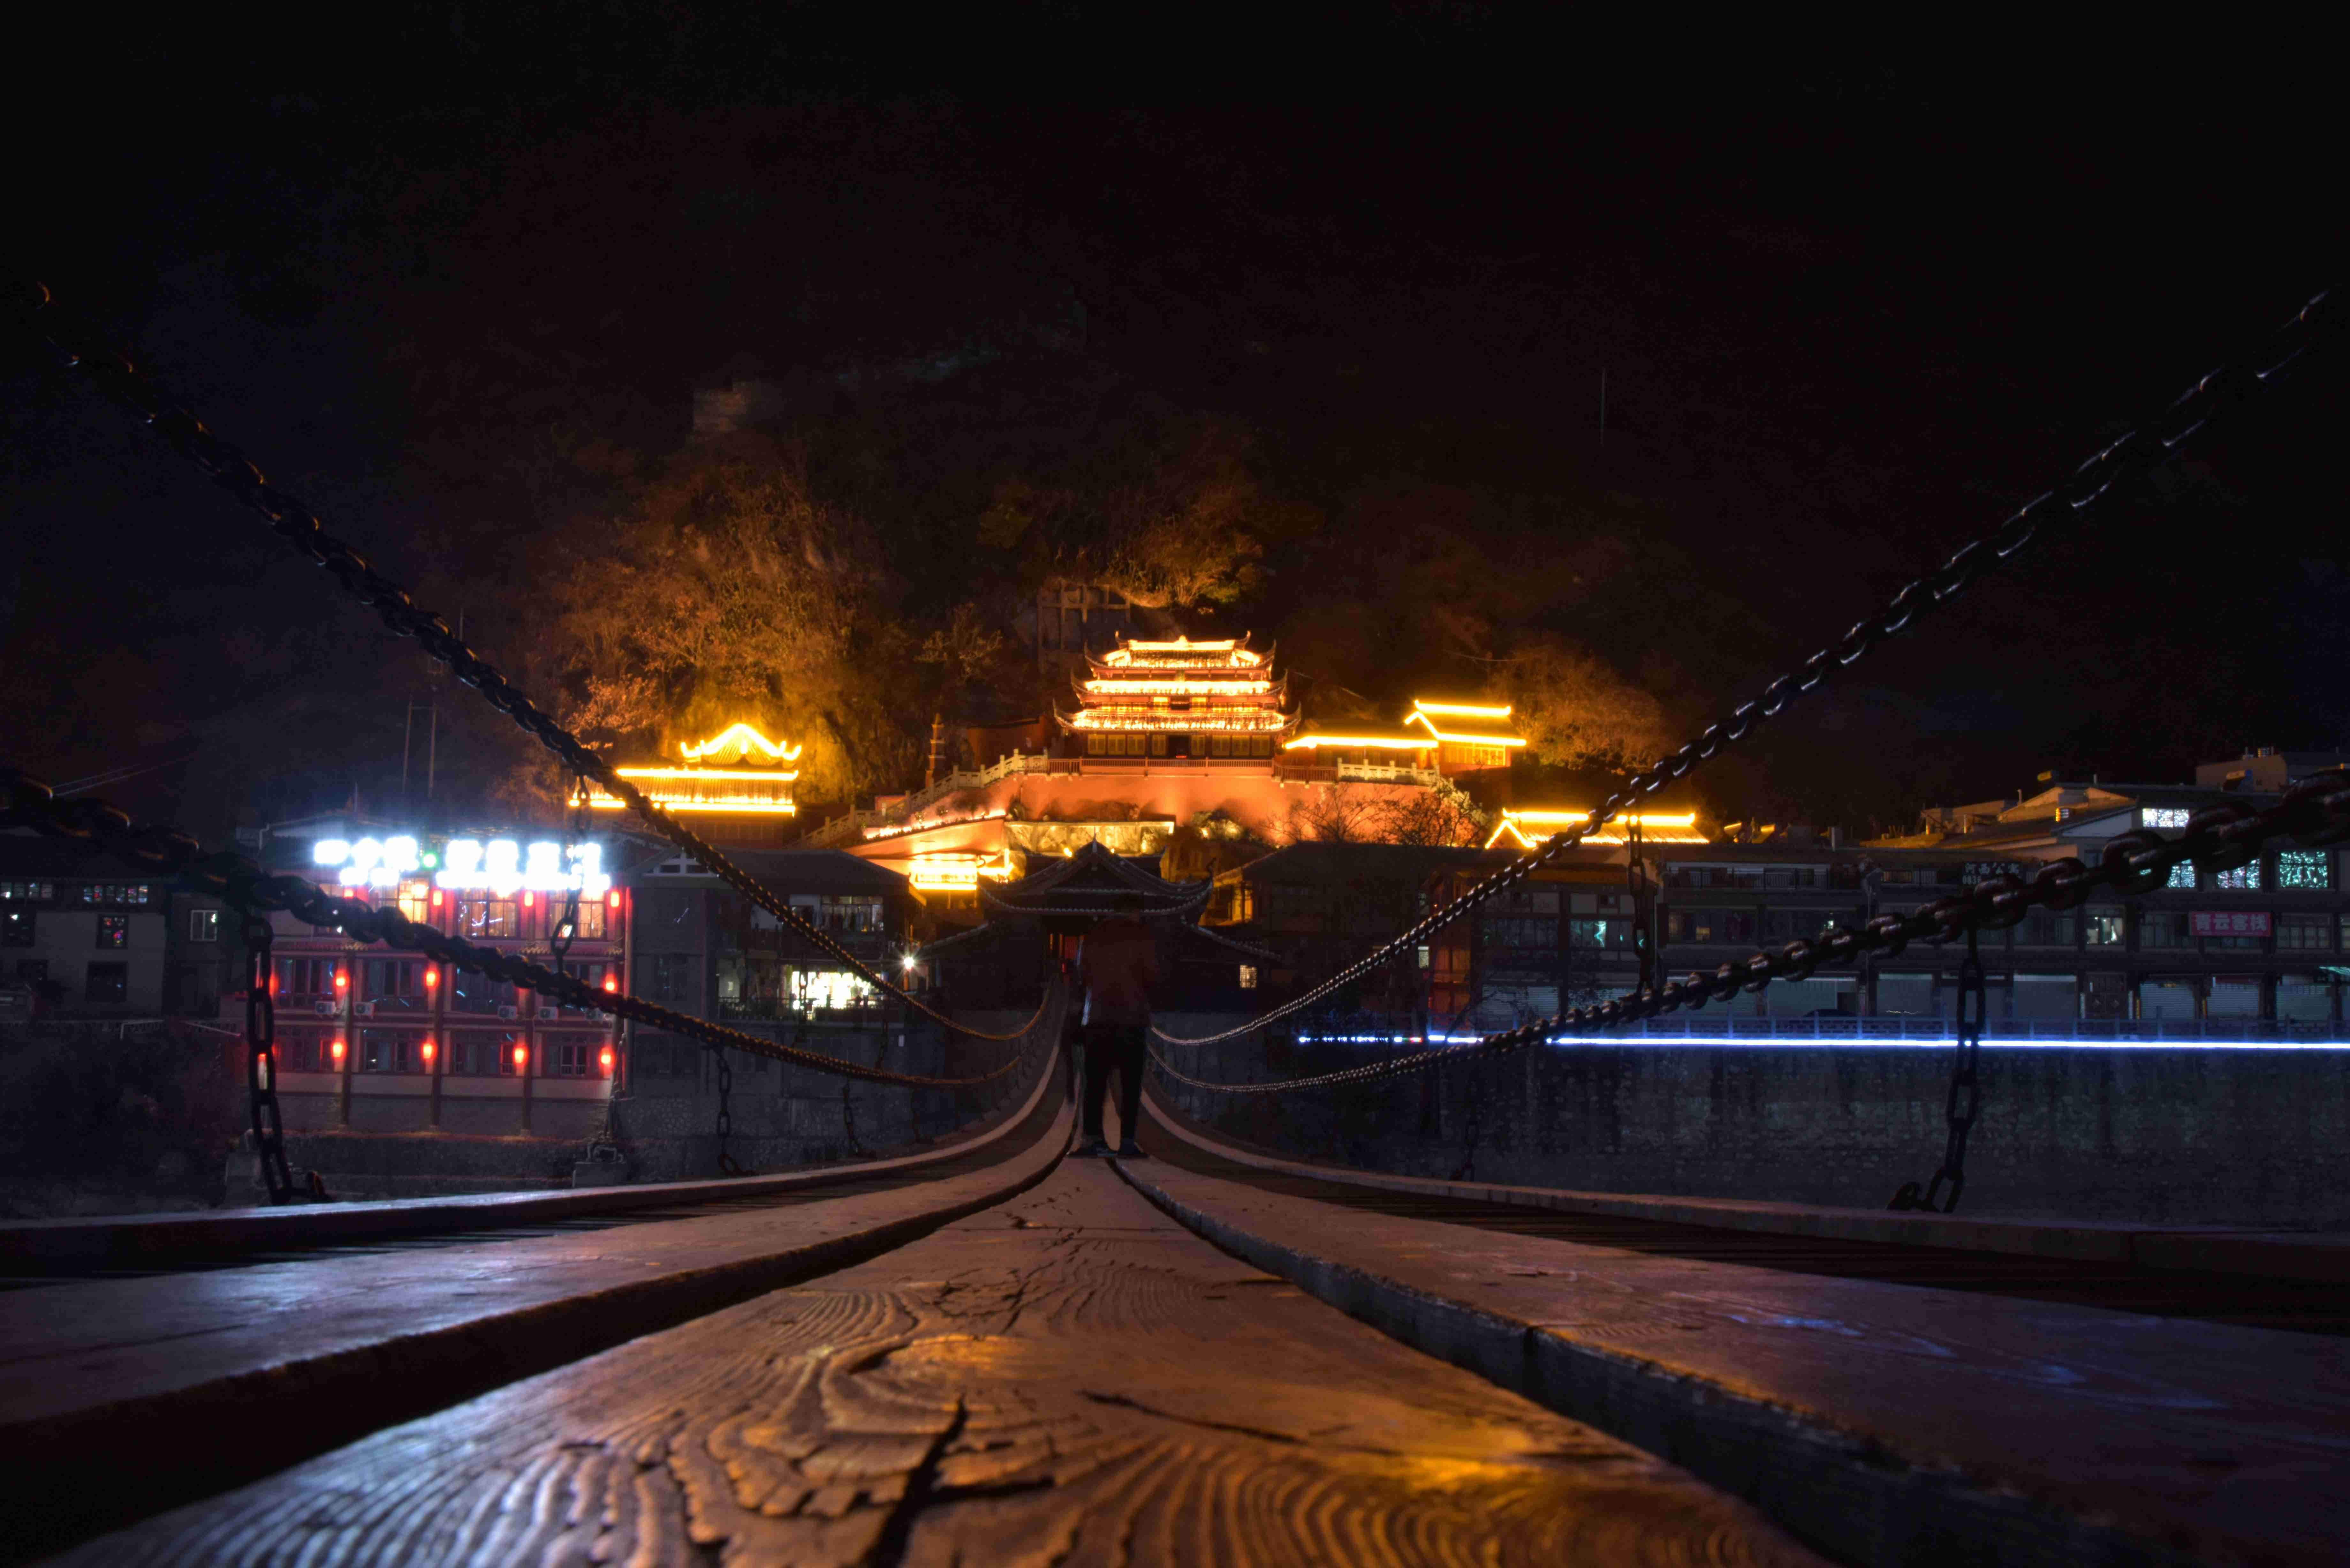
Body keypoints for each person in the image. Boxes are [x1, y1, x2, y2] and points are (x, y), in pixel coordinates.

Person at [1071, 891, 1159, 1158]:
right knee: (1131, 1084)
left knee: (1095, 1083)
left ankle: (1092, 1139)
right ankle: (1128, 1141)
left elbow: (1083, 974)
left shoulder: (1093, 937)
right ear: (1135, 912)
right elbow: (1152, 975)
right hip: (1131, 1019)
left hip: (1098, 1019)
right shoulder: (1141, 936)